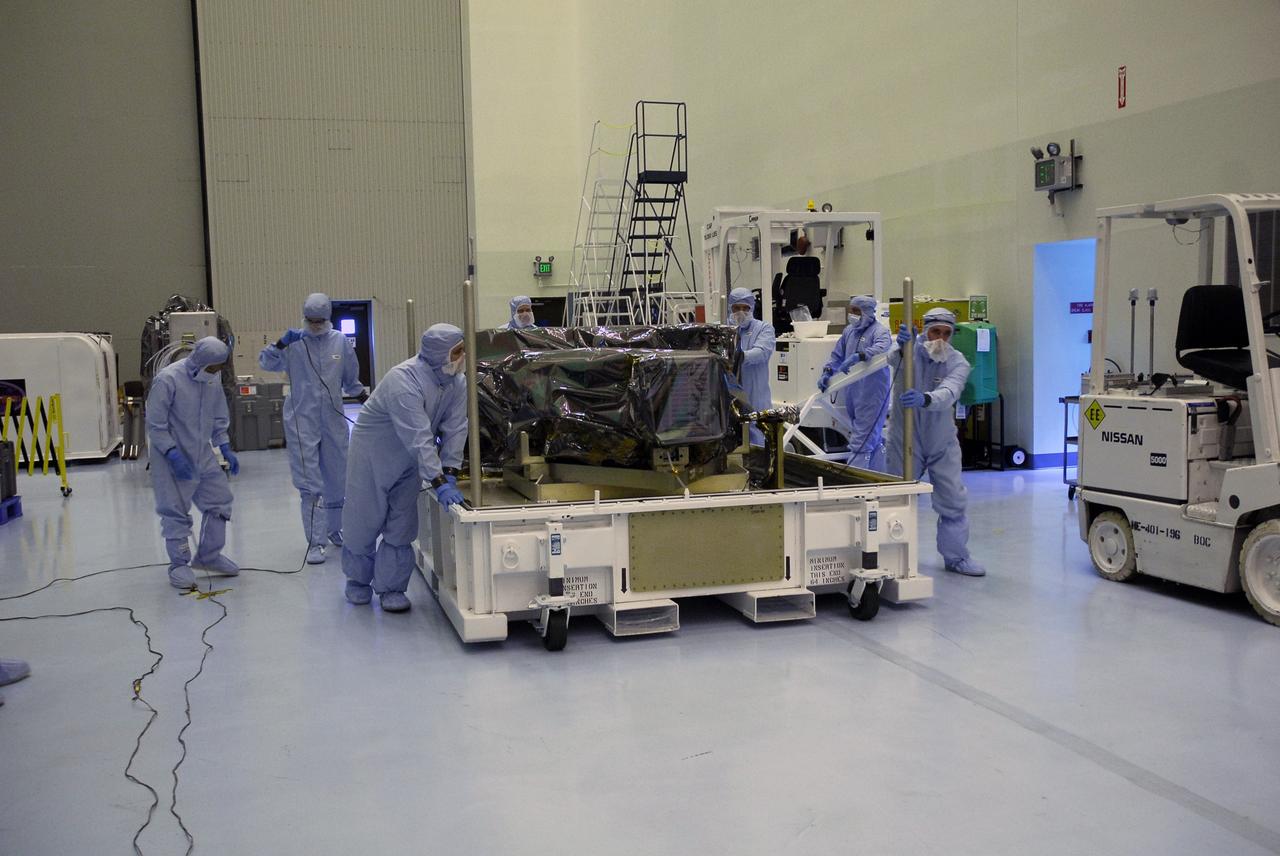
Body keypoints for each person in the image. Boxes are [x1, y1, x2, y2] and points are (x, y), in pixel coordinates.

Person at [341, 324, 468, 612]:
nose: (463, 357)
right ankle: (358, 581)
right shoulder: (403, 379)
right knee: (364, 518)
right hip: (374, 452)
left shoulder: (456, 381)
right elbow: (418, 434)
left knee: (402, 521)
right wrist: (437, 480)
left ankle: (391, 588)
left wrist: (450, 471)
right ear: (439, 353)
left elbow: (456, 427)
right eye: (457, 351)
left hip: (411, 459)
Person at [259, 293, 365, 564]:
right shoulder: (295, 342)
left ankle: (334, 529)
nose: (315, 325)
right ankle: (315, 542)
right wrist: (280, 343)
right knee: (310, 482)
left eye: (320, 320)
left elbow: (351, 378)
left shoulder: (340, 341)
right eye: (311, 320)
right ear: (304, 317)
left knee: (337, 475)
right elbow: (266, 363)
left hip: (332, 419)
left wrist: (367, 399)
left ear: (328, 317)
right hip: (301, 419)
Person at [886, 308, 985, 576]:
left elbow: (950, 391)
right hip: (905, 438)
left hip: (941, 441)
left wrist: (925, 399)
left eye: (946, 333)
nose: (940, 339)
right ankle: (888, 556)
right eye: (935, 332)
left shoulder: (958, 362)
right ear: (925, 330)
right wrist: (901, 347)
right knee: (894, 497)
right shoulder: (910, 352)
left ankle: (956, 558)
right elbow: (892, 363)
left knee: (953, 500)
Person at [146, 336, 241, 589]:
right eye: (212, 367)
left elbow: (219, 413)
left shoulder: (211, 379)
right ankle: (179, 564)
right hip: (171, 456)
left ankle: (209, 556)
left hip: (202, 452)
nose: (216, 372)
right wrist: (172, 453)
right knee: (175, 511)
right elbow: (155, 425)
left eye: (219, 367)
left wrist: (224, 445)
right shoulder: (168, 379)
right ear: (199, 360)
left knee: (220, 501)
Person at [818, 295, 892, 470]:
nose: (852, 315)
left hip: (873, 393)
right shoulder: (849, 332)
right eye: (851, 311)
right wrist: (827, 372)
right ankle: (879, 479)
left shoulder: (879, 331)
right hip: (853, 393)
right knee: (871, 438)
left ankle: (854, 484)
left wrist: (860, 356)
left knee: (861, 441)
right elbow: (837, 355)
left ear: (867, 312)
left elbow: (882, 348)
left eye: (856, 311)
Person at [728, 287, 776, 446]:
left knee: (758, 440)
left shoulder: (764, 328)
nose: (741, 312)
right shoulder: (724, 331)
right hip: (729, 398)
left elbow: (762, 352)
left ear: (752, 308)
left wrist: (740, 356)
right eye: (736, 308)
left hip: (755, 398)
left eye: (745, 308)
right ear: (730, 308)